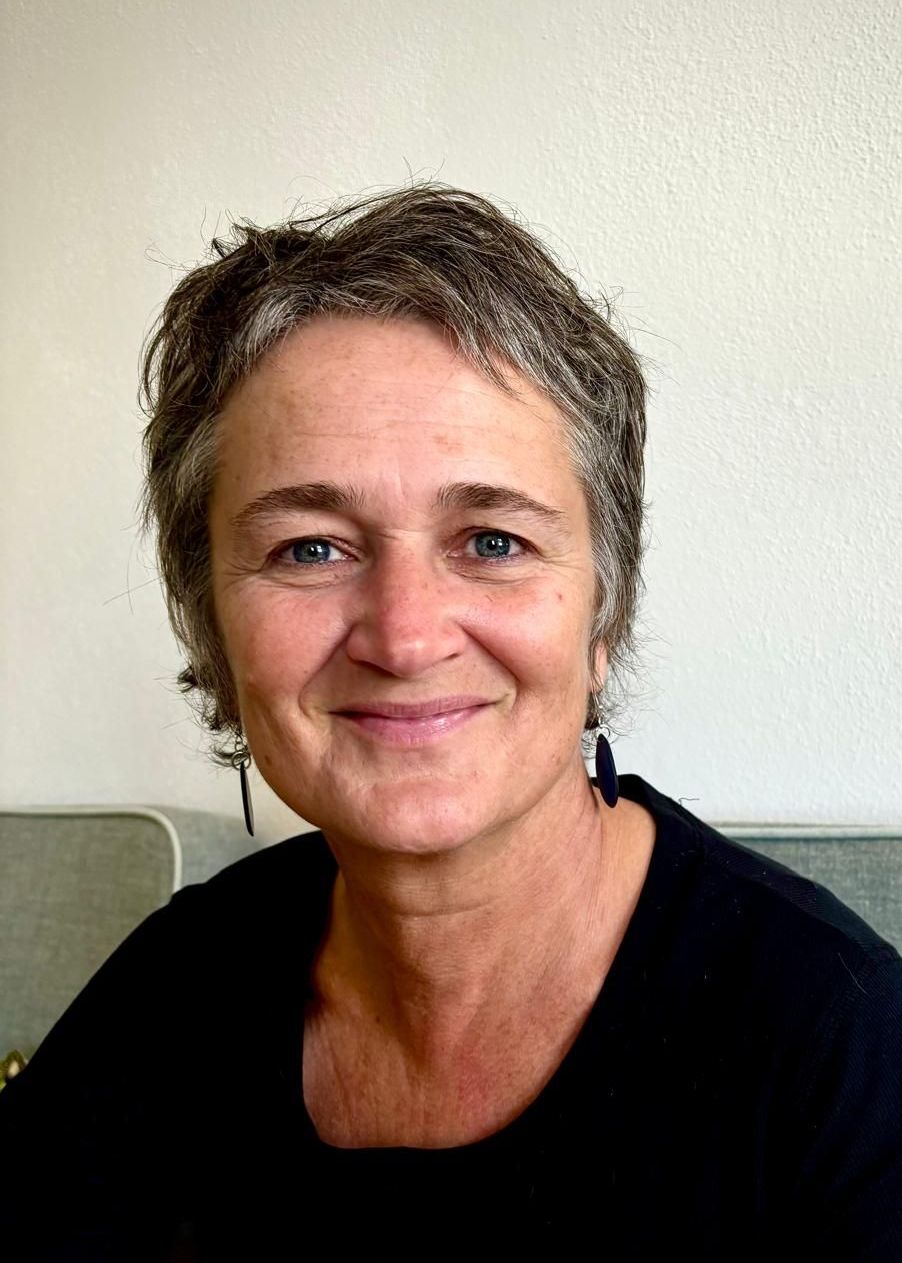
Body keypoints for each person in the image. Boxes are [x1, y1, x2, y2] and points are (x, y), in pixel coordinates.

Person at [1, 184, 900, 1261]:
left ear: (601, 612)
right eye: (311, 548)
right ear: (209, 622)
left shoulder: (839, 1051)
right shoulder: (170, 996)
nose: (406, 634)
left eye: (490, 540)